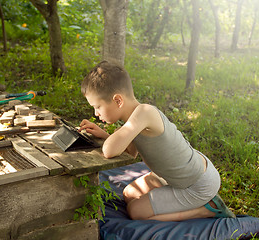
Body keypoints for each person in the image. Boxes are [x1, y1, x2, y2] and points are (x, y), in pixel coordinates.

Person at [78, 61, 236, 221]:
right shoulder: (133, 120)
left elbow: (109, 151)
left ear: (118, 100)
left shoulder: (145, 113)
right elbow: (130, 153)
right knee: (128, 193)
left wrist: (109, 140)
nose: (96, 113)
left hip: (196, 185)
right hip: (180, 175)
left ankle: (207, 209)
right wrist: (103, 135)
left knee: (136, 211)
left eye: (97, 106)